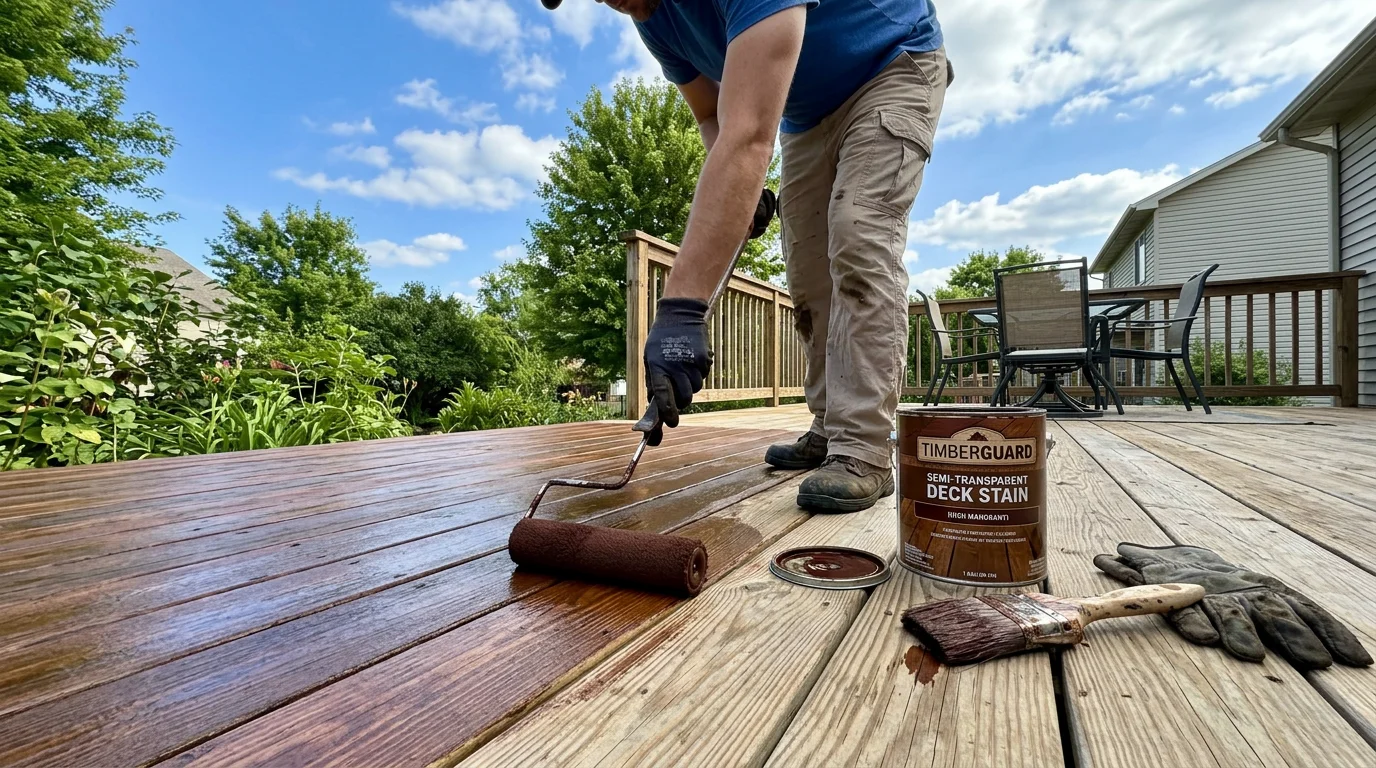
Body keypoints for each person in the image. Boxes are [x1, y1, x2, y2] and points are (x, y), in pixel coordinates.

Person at [591, 0, 948, 512]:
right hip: (804, 118)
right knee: (806, 269)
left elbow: (749, 133)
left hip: (891, 64)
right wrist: (745, 189)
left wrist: (681, 309)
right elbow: (712, 113)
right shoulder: (654, 21)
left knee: (858, 235)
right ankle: (828, 426)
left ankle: (863, 448)